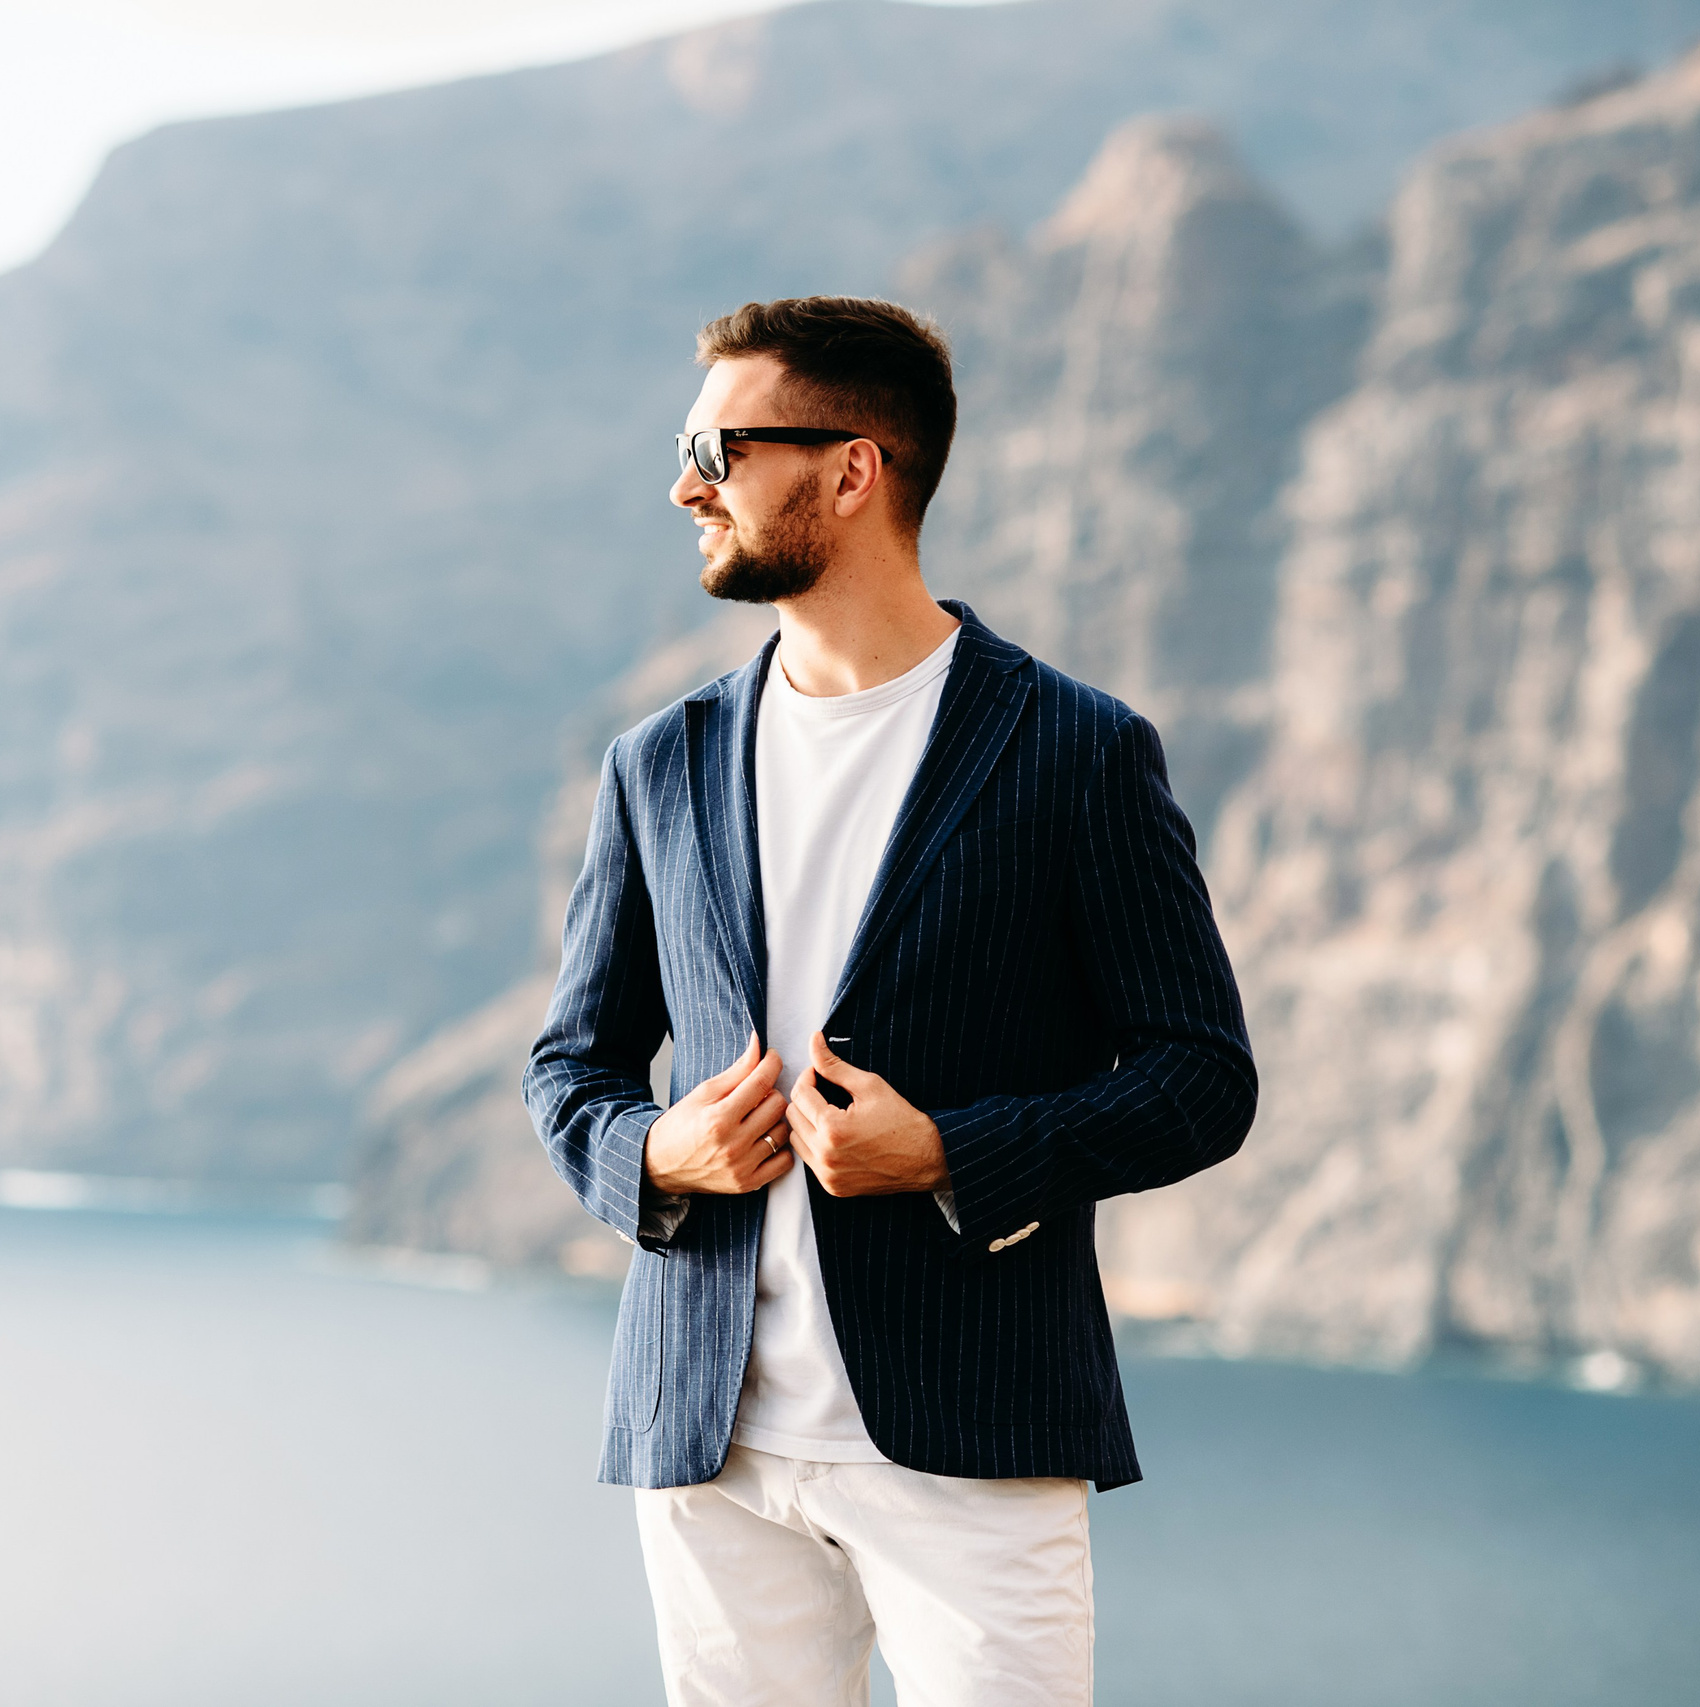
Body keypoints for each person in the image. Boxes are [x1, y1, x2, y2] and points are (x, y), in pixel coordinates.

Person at [524, 296, 1256, 1707]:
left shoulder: (1077, 751)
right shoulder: (657, 764)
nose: (686, 487)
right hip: (710, 1443)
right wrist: (657, 1152)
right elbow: (570, 1068)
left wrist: (950, 1154)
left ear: (853, 469)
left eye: (718, 451)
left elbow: (1202, 1076)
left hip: (976, 1439)